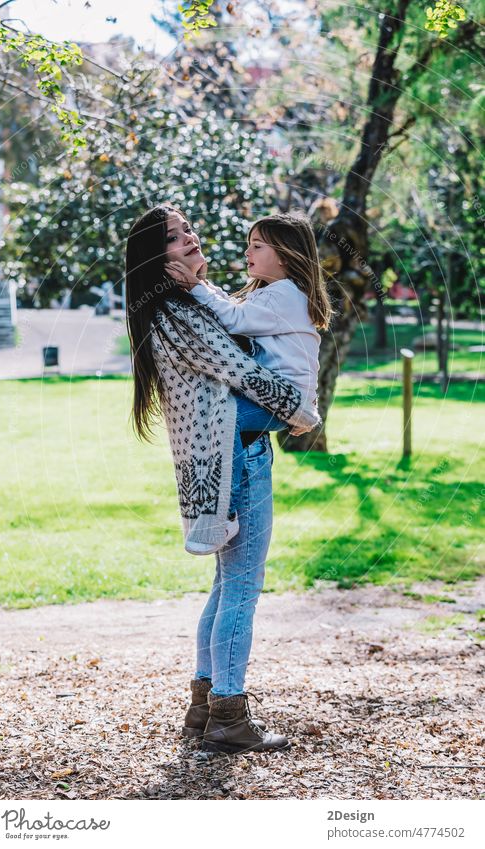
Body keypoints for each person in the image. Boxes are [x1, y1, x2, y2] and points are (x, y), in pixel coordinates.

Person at [125, 204, 320, 753]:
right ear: (155, 257)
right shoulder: (176, 309)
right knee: (241, 588)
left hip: (232, 453)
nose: (191, 237)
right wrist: (303, 414)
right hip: (241, 456)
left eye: (189, 227)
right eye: (175, 236)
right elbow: (246, 375)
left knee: (225, 585)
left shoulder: (178, 304)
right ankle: (229, 716)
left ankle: (205, 706)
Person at [165, 212, 332, 553]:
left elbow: (233, 319)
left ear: (285, 255)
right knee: (223, 417)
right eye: (247, 245)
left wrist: (196, 287)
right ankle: (216, 509)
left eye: (256, 246)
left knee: (228, 417)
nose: (247, 253)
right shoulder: (272, 293)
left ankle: (220, 514)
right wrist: (203, 286)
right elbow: (229, 307)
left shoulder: (285, 294)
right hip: (278, 399)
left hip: (281, 398)